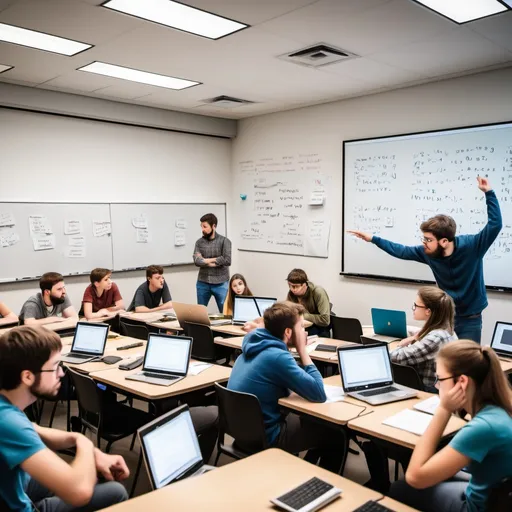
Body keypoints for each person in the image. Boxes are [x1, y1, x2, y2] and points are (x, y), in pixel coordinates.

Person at [348, 177, 502, 344]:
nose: (424, 243)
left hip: (470, 319)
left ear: (444, 241)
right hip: (444, 317)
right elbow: (401, 251)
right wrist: (373, 239)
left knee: (467, 364)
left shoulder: (472, 246)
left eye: (428, 240)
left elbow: (495, 225)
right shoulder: (428, 253)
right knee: (438, 361)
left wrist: (489, 193)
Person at [0, 326, 129, 511]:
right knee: (115, 492)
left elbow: (36, 431)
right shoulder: (7, 421)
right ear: (27, 376)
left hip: (15, 486)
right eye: (54, 367)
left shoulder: (6, 405)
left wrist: (80, 441)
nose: (61, 373)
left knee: (83, 473)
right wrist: (85, 443)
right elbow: (79, 492)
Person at [389, 340, 512, 512]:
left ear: (461, 382)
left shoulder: (483, 427)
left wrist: (444, 409)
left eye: (439, 379)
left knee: (401, 487)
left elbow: (415, 477)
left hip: (477, 507)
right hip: (495, 495)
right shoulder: (500, 408)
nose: (436, 385)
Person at [228, 301, 346, 473]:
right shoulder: (277, 357)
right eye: (301, 327)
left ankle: (303, 468)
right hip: (267, 437)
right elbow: (319, 393)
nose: (304, 332)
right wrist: (302, 350)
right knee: (335, 433)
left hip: (240, 431)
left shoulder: (253, 344)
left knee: (309, 420)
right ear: (288, 332)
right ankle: (316, 484)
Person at [390, 286, 457, 392]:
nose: (413, 308)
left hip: (427, 390)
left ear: (428, 311)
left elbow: (396, 357)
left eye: (416, 306)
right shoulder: (446, 329)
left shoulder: (435, 338)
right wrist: (412, 338)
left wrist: (400, 345)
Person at [193, 213, 232, 313]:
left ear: (214, 226)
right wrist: (215, 260)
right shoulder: (199, 242)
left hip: (221, 283)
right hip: (203, 282)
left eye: (205, 226)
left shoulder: (225, 241)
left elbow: (227, 260)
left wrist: (206, 260)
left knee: (225, 312)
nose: (203, 229)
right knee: (200, 313)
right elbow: (197, 261)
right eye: (201, 226)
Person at [286, 269, 331, 337]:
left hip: (319, 330)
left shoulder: (318, 292)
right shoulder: (291, 293)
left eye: (296, 286)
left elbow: (325, 320)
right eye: (290, 285)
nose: (293, 289)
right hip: (301, 328)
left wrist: (303, 316)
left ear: (304, 284)